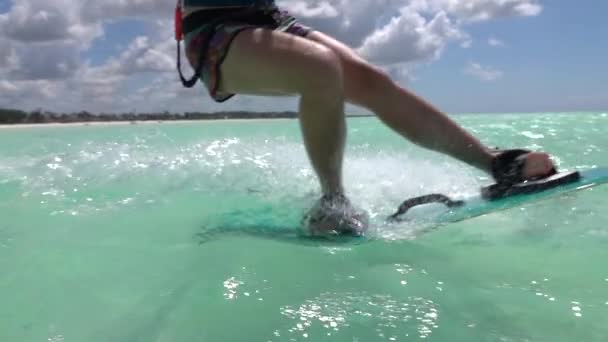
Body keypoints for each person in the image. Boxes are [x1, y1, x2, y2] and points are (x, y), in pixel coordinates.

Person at [177, 0, 556, 236]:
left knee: (373, 82)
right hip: (213, 29)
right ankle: (332, 202)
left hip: (267, 17)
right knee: (320, 68)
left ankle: (494, 164)